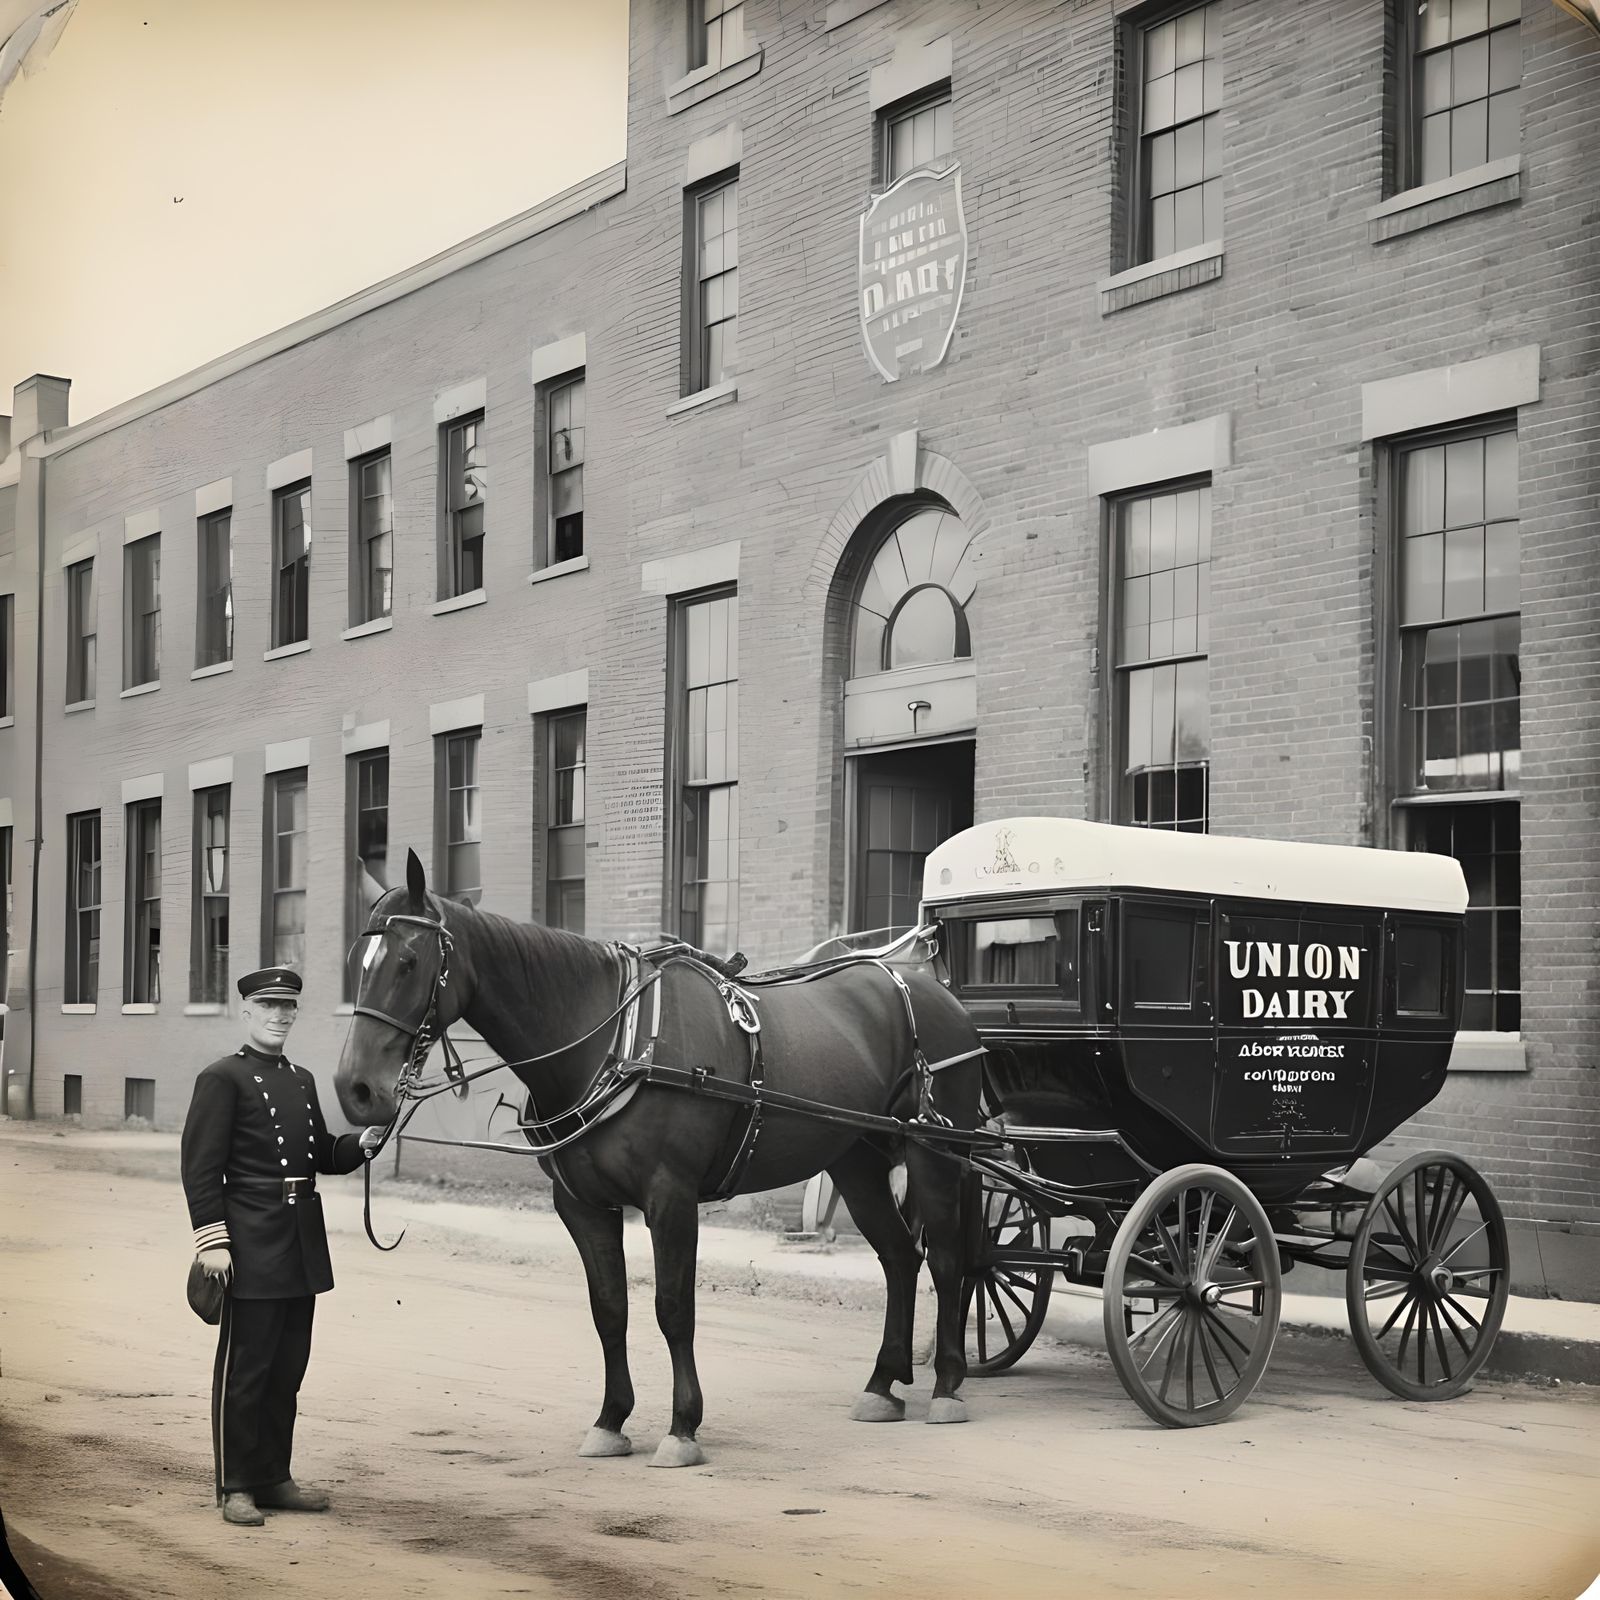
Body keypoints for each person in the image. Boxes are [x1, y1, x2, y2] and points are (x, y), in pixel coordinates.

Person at [181, 966, 383, 1527]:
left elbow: (319, 1152)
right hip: (247, 1242)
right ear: (246, 1011)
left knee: (288, 1369)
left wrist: (359, 1145)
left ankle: (274, 1476)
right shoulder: (222, 1078)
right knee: (246, 1371)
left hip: (299, 1246)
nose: (279, 1016)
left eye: (287, 1007)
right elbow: (200, 1170)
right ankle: (236, 1486)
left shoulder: (300, 1078)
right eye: (268, 1007)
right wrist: (211, 1242)